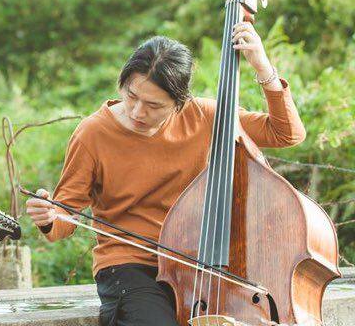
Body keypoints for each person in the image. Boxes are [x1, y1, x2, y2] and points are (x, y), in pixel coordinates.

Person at [25, 26, 306, 326]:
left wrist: (263, 68)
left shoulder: (205, 116)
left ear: (180, 102)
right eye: (131, 96)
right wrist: (48, 217)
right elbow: (64, 218)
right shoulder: (92, 134)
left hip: (197, 262)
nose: (137, 112)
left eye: (154, 105)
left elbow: (286, 133)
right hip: (129, 264)